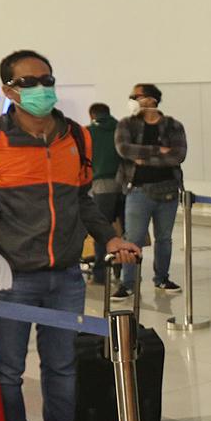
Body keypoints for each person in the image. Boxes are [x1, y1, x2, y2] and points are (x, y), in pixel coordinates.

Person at [0, 49, 140, 421]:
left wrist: (110, 237)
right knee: (11, 371)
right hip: (10, 277)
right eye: (29, 82)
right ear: (9, 91)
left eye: (46, 79)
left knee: (61, 366)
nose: (41, 88)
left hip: (65, 275)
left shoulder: (75, 136)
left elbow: (82, 201)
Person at [112, 83, 188, 301]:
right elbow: (124, 149)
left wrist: (143, 157)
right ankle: (128, 283)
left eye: (136, 96)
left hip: (169, 192)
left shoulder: (173, 126)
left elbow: (178, 155)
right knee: (133, 239)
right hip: (137, 192)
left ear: (151, 99)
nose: (132, 99)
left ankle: (162, 278)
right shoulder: (127, 124)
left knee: (164, 239)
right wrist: (157, 151)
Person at [87, 102, 123, 285]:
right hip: (124, 184)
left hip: (101, 186)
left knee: (102, 230)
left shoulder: (88, 132)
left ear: (92, 115)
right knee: (124, 232)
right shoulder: (121, 129)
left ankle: (100, 274)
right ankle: (123, 273)